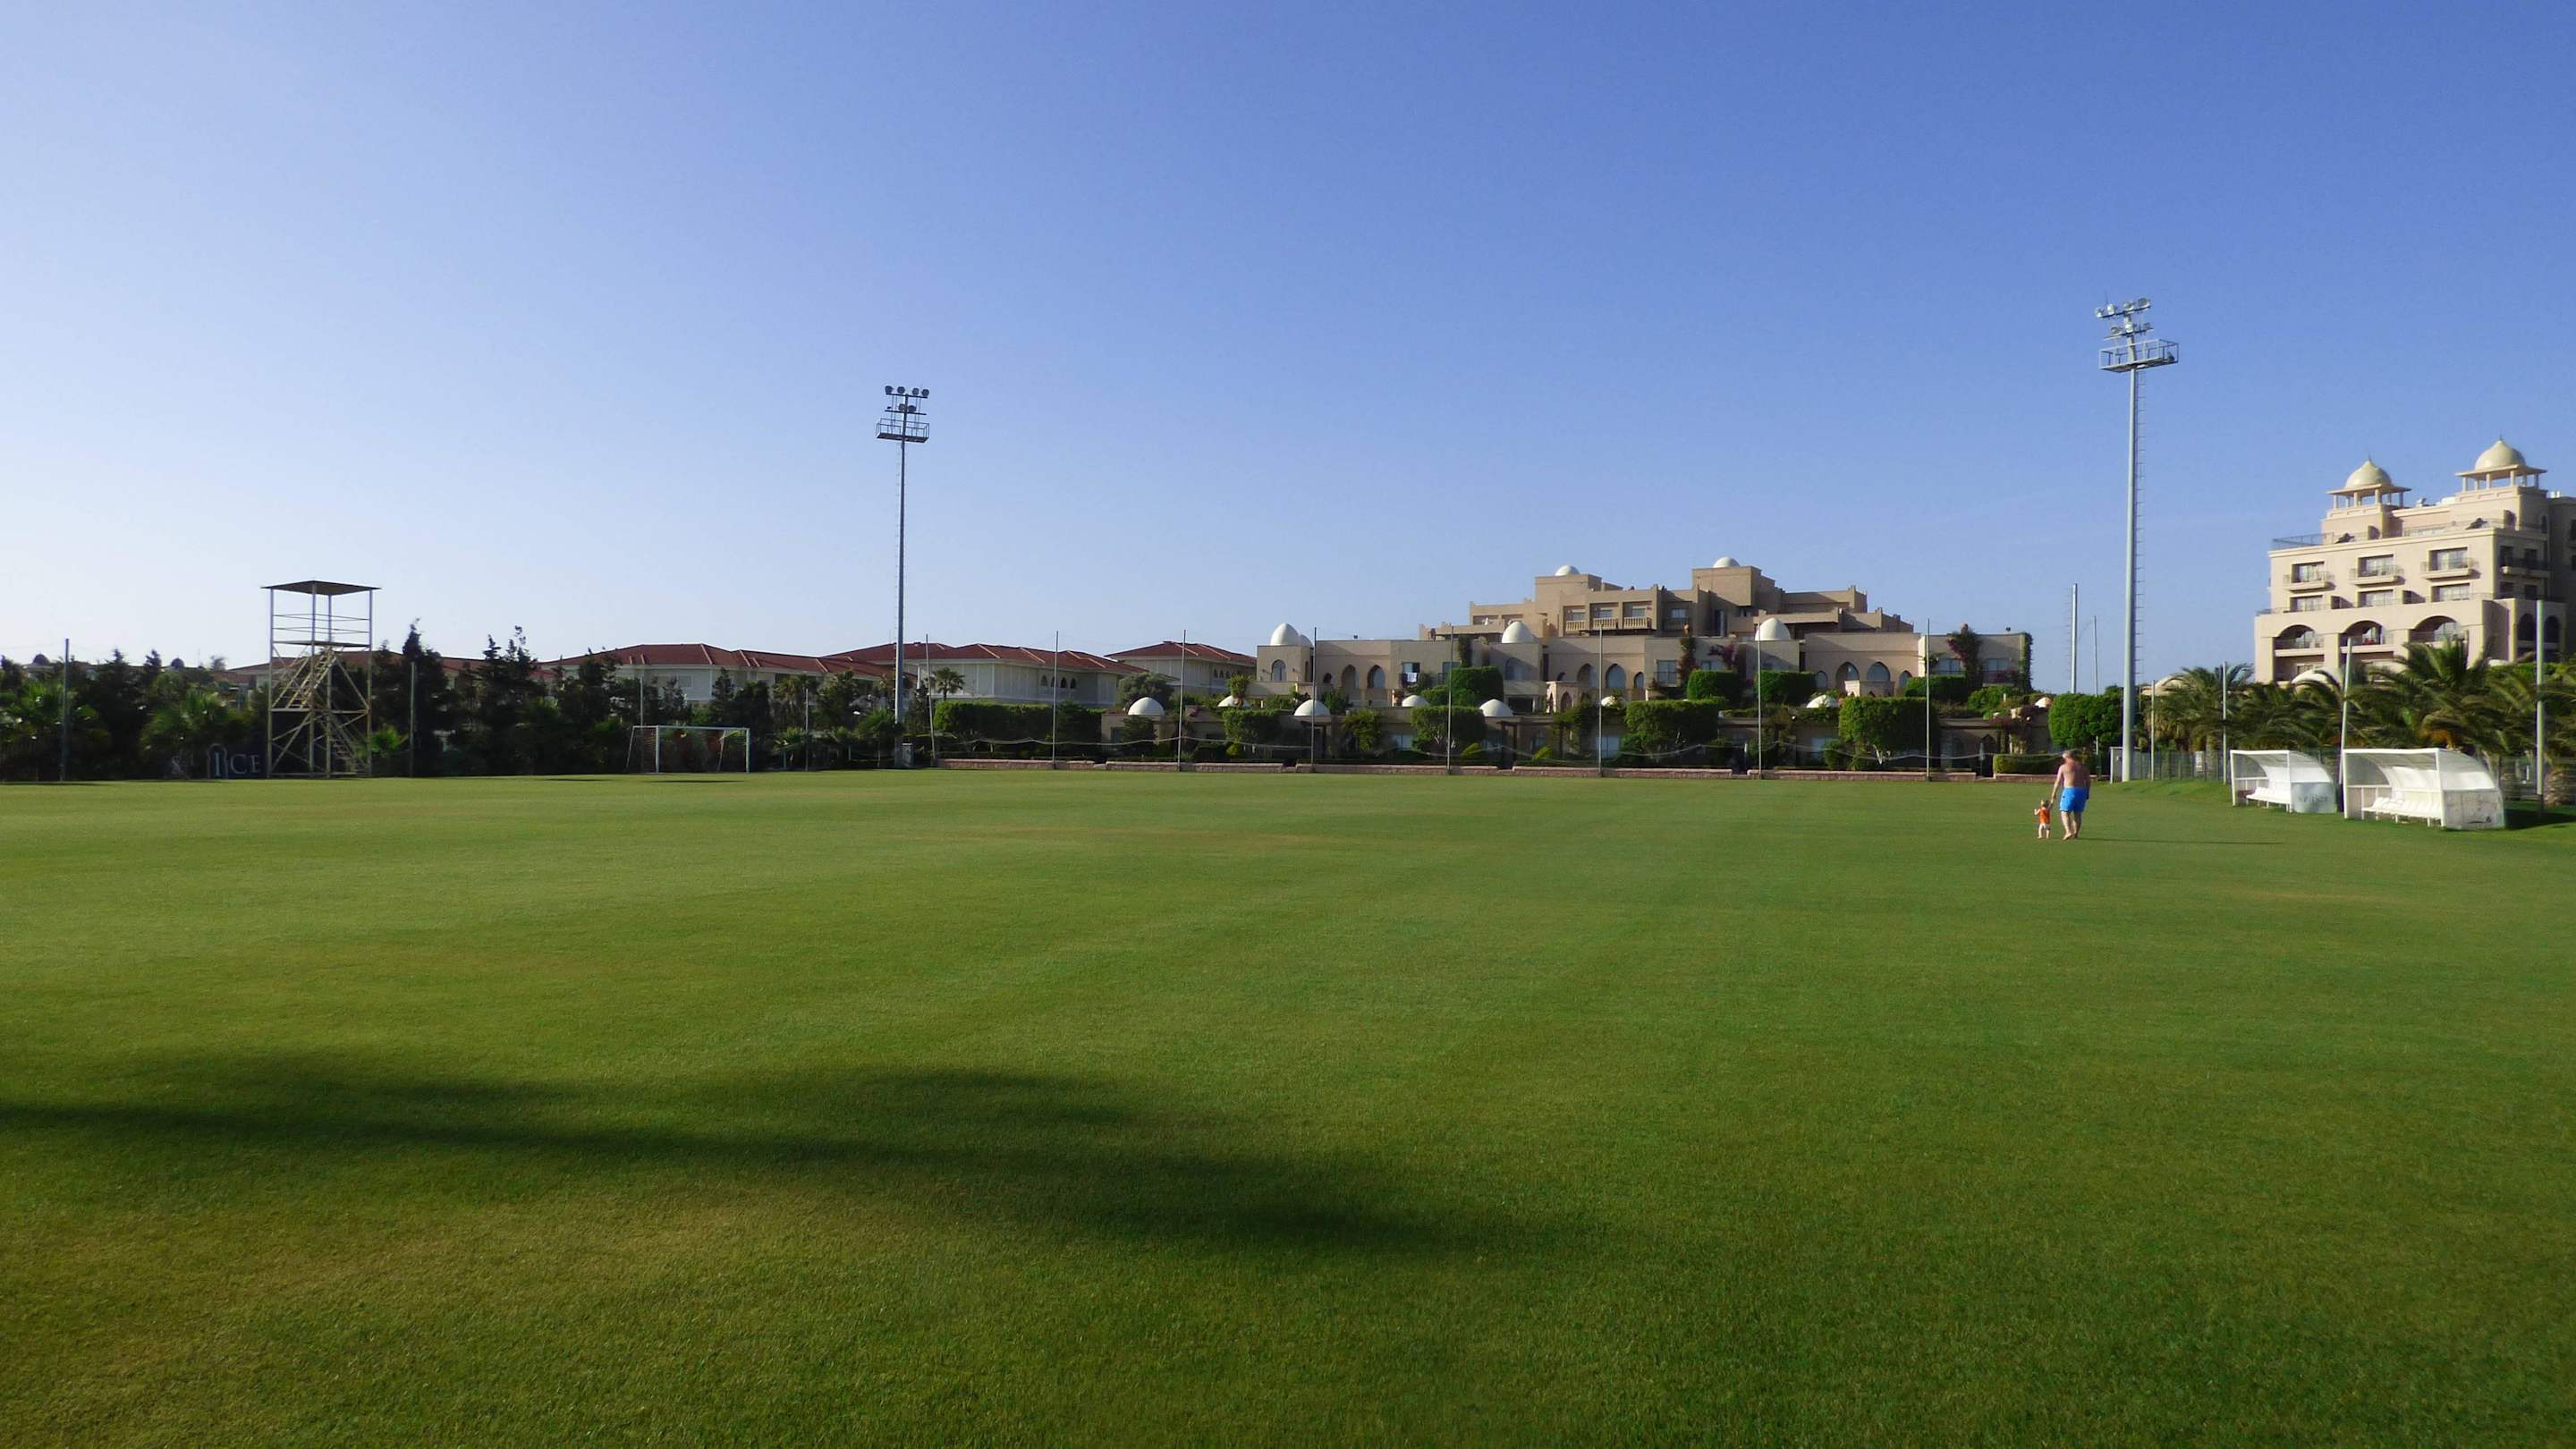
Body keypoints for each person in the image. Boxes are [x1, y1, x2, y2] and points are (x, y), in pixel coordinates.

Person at [2052, 750, 2092, 840]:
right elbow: (2088, 781)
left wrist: (2054, 793)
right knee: (2078, 813)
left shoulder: (2063, 767)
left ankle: (2068, 831)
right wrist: (2087, 792)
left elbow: (2058, 781)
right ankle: (2076, 834)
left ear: (2067, 757)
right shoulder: (2083, 767)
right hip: (2082, 791)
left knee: (2064, 812)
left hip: (2070, 790)